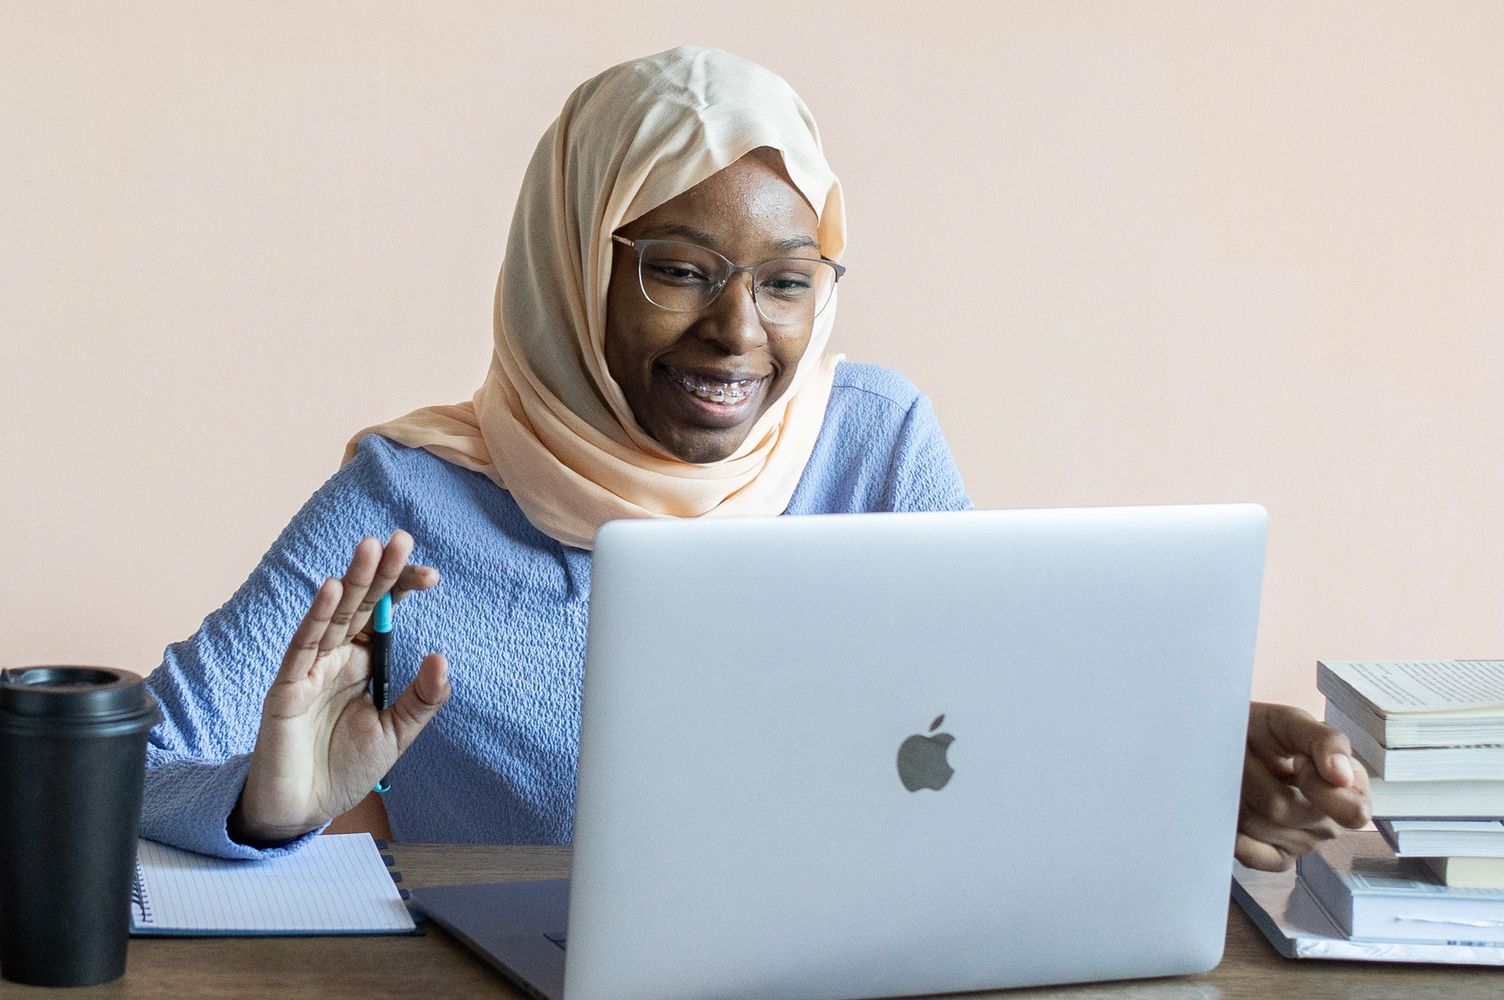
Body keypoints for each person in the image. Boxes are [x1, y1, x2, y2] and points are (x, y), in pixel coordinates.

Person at [141, 47, 1369, 870]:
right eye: (678, 269)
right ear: (574, 266)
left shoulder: (874, 442)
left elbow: (992, 733)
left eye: (787, 282)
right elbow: (127, 763)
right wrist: (271, 799)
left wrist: (1182, 765)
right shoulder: (408, 504)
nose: (739, 334)